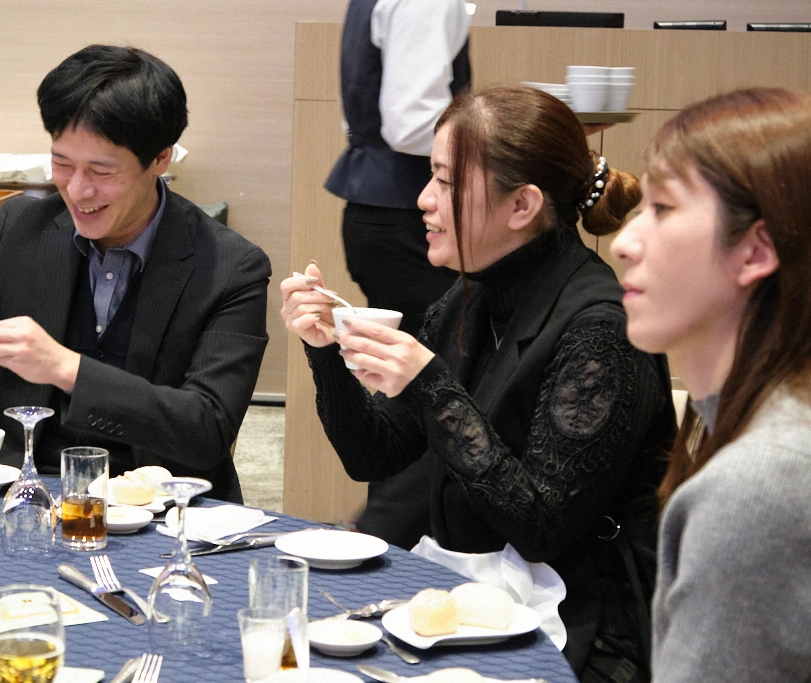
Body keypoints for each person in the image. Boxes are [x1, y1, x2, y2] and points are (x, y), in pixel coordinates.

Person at [283, 86, 677, 681]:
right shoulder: (470, 295)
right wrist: (326, 354)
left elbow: (541, 525)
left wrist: (430, 385)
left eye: (445, 182)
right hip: (478, 592)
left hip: (584, 624)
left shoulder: (601, 331)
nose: (423, 199)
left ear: (522, 205)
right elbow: (374, 455)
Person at [0, 45, 272, 503]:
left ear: (160, 159)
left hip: (166, 510)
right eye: (61, 164)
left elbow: (207, 429)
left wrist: (65, 368)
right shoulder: (20, 230)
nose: (77, 190)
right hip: (27, 499)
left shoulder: (230, 266)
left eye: (101, 171)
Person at [610, 87, 811, 682]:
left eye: (662, 208)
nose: (622, 242)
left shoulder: (755, 488)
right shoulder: (757, 426)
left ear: (755, 251)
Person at [324, 0, 471, 550]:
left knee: (420, 387)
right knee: (444, 384)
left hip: (383, 207)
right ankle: (382, 532)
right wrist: (494, 141)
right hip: (405, 214)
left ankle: (382, 531)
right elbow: (411, 122)